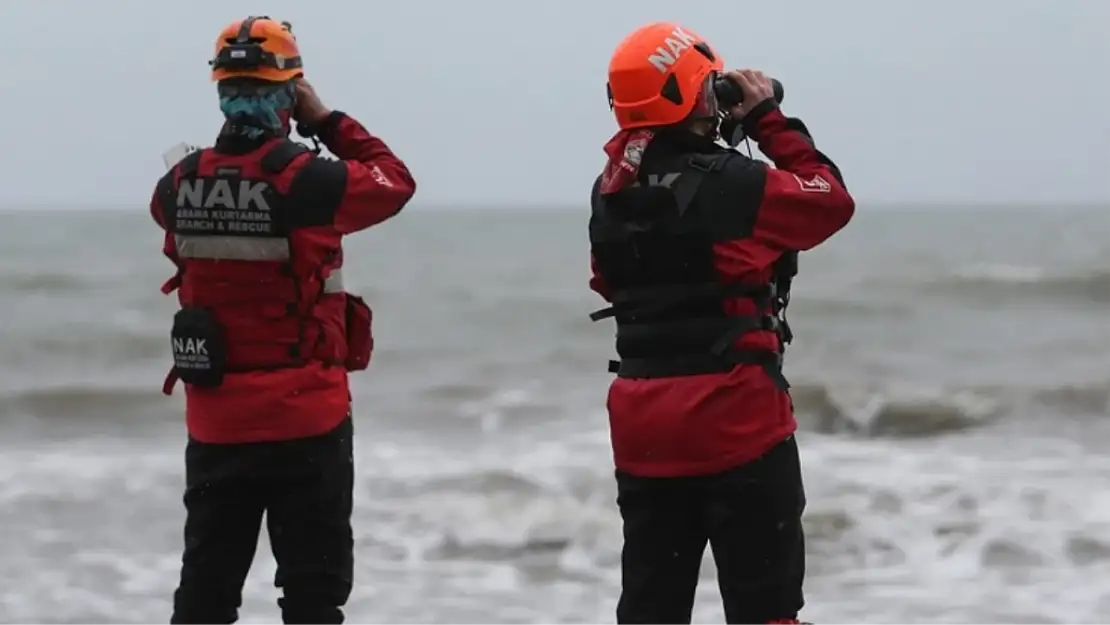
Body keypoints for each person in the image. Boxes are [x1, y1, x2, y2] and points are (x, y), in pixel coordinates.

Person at [149, 16, 416, 625]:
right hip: (307, 419)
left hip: (217, 423)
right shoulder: (311, 183)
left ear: (220, 89)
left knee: (207, 592)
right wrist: (326, 121)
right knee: (312, 595)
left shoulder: (175, 186)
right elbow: (395, 182)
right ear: (289, 91)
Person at [588, 22, 855, 625]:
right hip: (737, 422)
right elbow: (830, 200)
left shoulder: (609, 191)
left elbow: (609, 281)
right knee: (766, 608)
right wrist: (766, 120)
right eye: (710, 89)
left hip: (643, 427)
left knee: (652, 606)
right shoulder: (736, 183)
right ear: (690, 94)